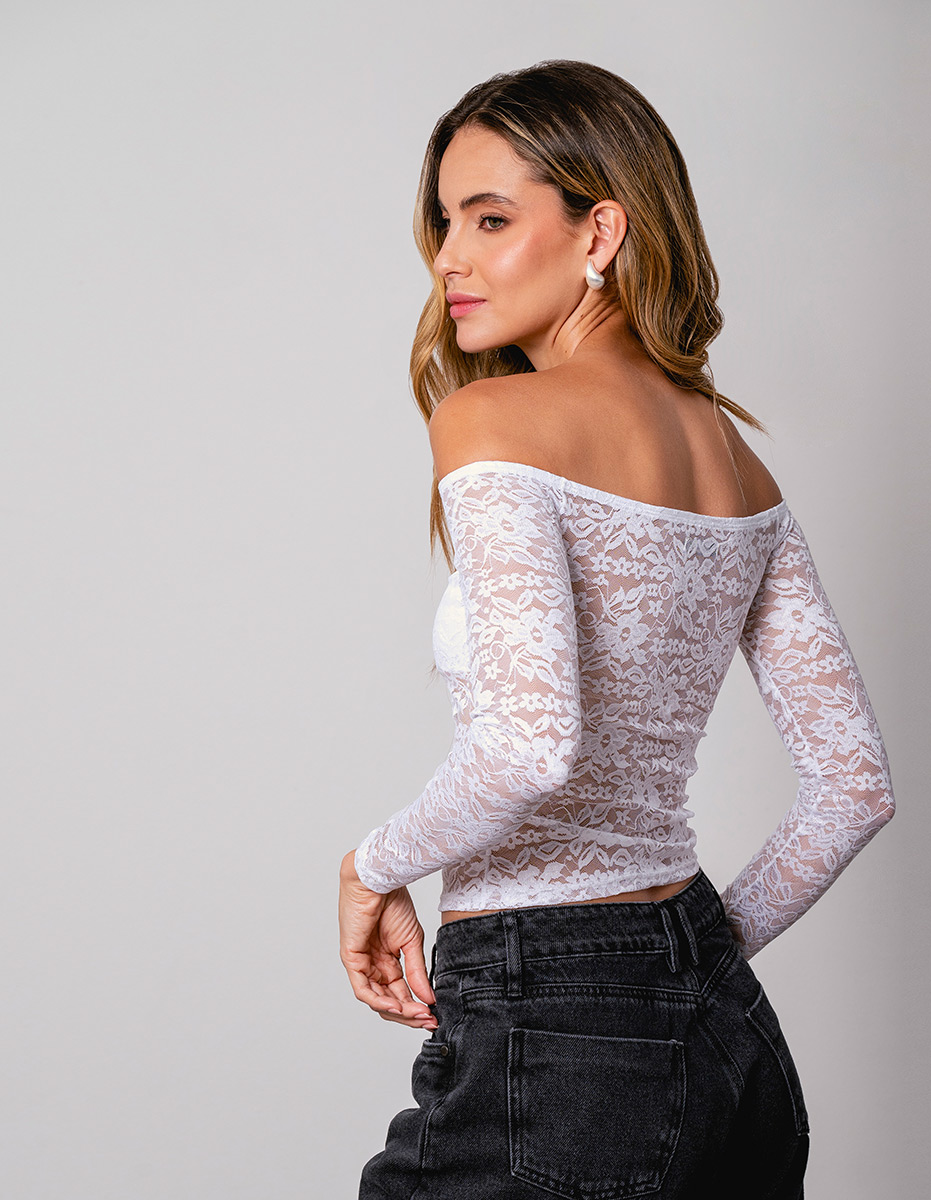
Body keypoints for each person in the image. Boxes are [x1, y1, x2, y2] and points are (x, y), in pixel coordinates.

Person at [337, 59, 896, 1200]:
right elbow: (854, 787)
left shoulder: (491, 419)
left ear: (600, 231)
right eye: (445, 221)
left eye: (492, 218)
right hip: (726, 1037)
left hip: (552, 1030)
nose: (449, 257)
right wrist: (675, 969)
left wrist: (369, 866)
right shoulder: (739, 466)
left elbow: (528, 747)